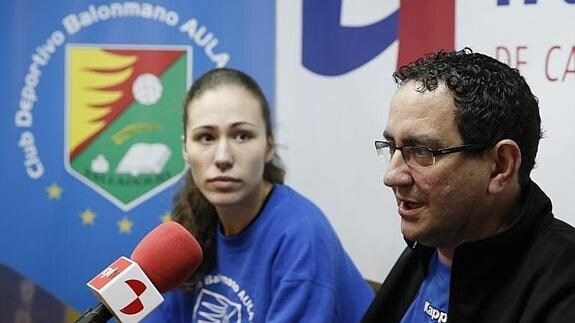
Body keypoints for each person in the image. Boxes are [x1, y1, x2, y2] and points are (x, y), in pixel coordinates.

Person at [362, 48, 575, 322]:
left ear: (500, 166)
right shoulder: (430, 245)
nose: (392, 177)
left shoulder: (562, 290)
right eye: (392, 147)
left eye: (422, 151)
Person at [144, 67, 374, 322]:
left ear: (269, 147)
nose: (222, 158)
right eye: (206, 137)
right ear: (185, 148)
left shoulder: (302, 235)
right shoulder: (189, 230)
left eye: (242, 136)